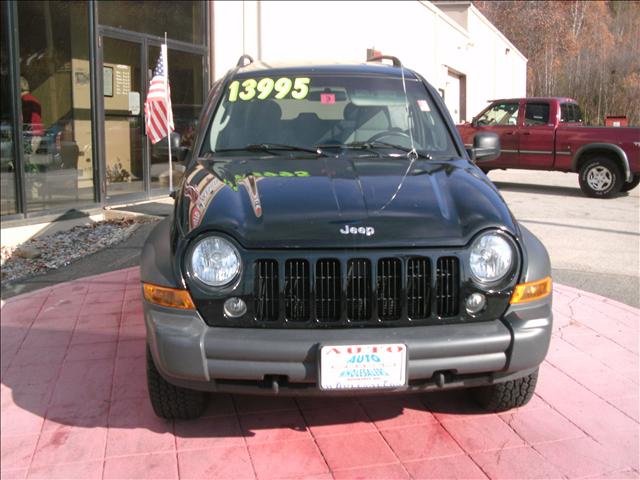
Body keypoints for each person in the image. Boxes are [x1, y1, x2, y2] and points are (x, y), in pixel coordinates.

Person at [20, 76, 44, 154]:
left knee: (24, 159)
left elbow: (22, 120)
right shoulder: (36, 100)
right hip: (38, 134)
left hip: (30, 135)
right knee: (29, 157)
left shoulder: (23, 101)